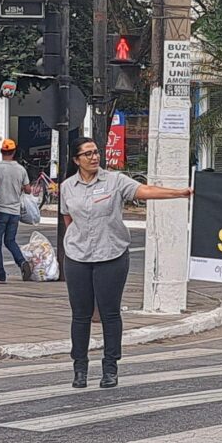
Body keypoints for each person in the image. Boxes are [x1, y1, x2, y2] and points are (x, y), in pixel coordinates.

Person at [59, 139, 193, 388]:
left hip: (111, 256)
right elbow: (69, 220)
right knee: (80, 315)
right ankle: (80, 368)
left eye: (96, 152)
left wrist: (178, 193)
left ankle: (110, 367)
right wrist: (78, 243)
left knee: (110, 313)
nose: (94, 157)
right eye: (87, 154)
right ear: (76, 160)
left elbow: (145, 191)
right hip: (78, 258)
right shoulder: (67, 187)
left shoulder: (115, 181)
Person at [0, 139, 31, 283]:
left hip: (0, 211)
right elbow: (28, 190)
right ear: (14, 152)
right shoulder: (21, 169)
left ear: (2, 151)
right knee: (10, 240)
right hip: (14, 212)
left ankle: (1, 275)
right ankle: (22, 262)